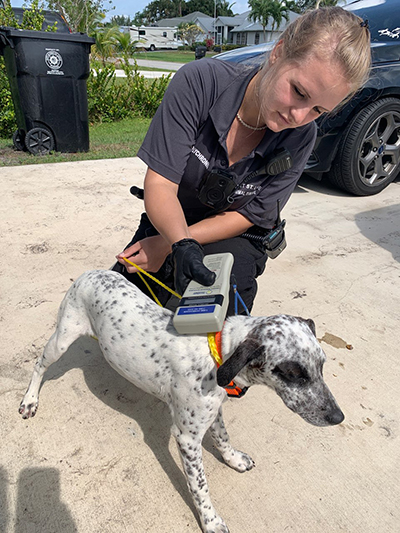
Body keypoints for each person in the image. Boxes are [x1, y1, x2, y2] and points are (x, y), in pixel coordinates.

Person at [113, 6, 371, 315]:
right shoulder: (199, 83)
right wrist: (174, 240)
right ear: (278, 52)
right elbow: (160, 183)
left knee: (207, 319)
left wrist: (171, 245)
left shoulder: (301, 137)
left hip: (232, 235)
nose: (298, 116)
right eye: (299, 92)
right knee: (118, 308)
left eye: (318, 110)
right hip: (172, 217)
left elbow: (249, 215)